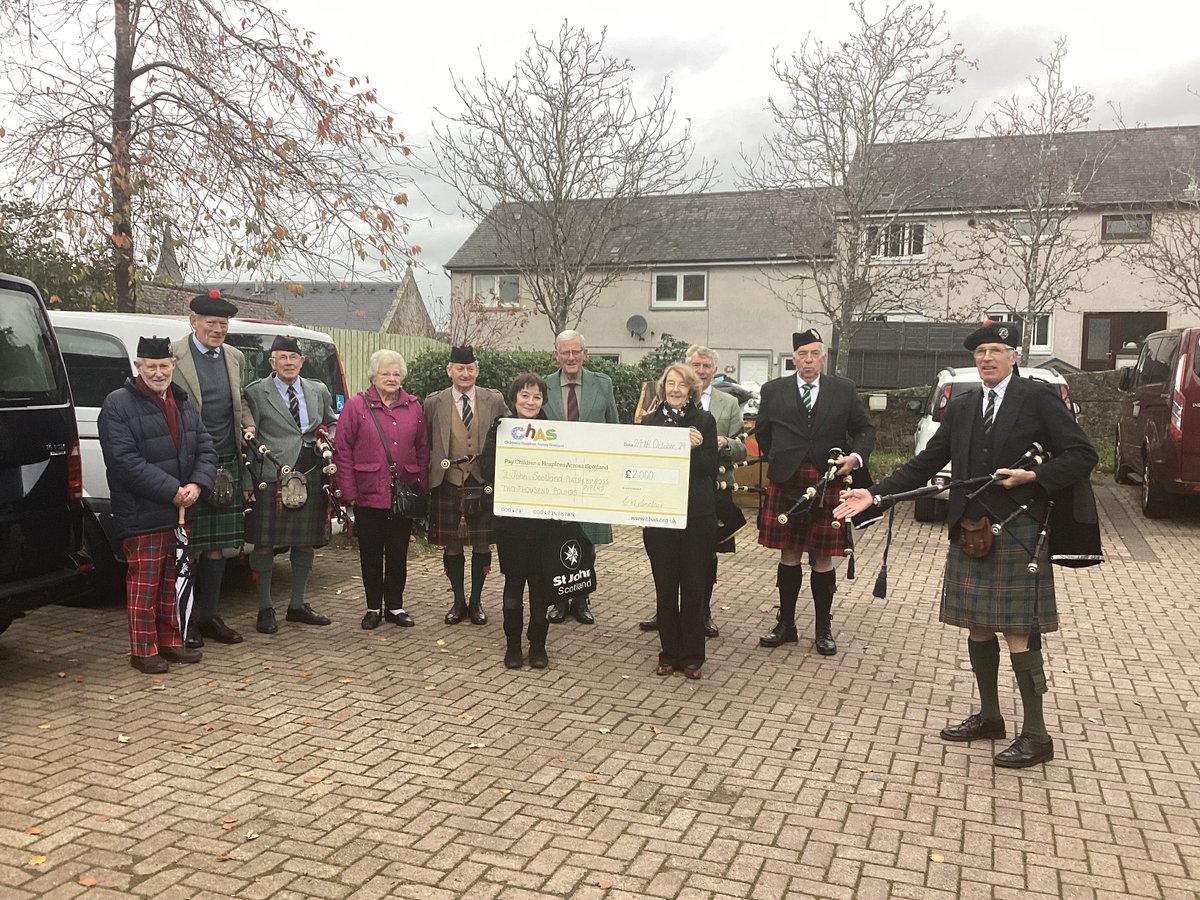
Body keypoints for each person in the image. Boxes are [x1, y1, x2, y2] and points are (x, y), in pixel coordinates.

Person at [835, 320, 1097, 769]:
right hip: (970, 528)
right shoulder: (963, 405)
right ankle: (991, 717)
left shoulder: (1038, 398)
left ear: (1014, 357)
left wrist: (1034, 476)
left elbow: (1082, 454)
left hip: (1019, 528)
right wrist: (874, 495)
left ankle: (1037, 734)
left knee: (1018, 632)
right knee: (977, 625)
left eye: (996, 351)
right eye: (980, 352)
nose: (987, 358)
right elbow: (925, 463)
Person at [98, 336, 217, 674]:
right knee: (144, 585)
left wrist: (197, 484)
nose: (158, 372)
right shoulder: (117, 404)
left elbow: (206, 448)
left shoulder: (183, 401)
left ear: (173, 365)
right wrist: (172, 491)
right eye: (150, 366)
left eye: (164, 365)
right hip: (142, 512)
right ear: (138, 366)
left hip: (180, 512)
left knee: (172, 581)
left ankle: (171, 642)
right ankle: (143, 650)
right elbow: (124, 461)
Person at [755, 328, 875, 656]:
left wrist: (855, 457)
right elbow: (763, 432)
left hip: (828, 480)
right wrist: (780, 458)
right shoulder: (773, 390)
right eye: (802, 355)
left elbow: (865, 429)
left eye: (814, 354)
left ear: (824, 357)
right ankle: (786, 624)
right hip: (787, 480)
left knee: (823, 557)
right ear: (794, 358)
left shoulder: (843, 389)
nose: (808, 360)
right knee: (789, 554)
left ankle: (823, 628)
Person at [639, 345, 747, 637]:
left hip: (707, 495)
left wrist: (720, 443)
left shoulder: (723, 406)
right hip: (665, 503)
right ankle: (668, 621)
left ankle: (702, 613)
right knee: (668, 571)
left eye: (705, 366)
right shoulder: (651, 418)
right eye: (696, 365)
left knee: (702, 563)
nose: (701, 370)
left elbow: (740, 447)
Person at [170, 290, 255, 650]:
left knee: (217, 546)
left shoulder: (235, 357)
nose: (218, 330)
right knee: (189, 546)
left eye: (223, 324)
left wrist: (248, 424)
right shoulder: (173, 355)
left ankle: (210, 616)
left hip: (226, 459)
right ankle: (186, 620)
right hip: (188, 461)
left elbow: (240, 401)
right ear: (193, 322)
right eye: (211, 323)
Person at [243, 335, 338, 634]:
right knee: (264, 543)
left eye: (293, 357)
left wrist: (328, 440)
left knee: (305, 541)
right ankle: (265, 608)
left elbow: (331, 421)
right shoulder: (256, 393)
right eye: (281, 357)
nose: (288, 362)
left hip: (311, 471)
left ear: (301, 361)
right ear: (272, 362)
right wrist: (247, 481)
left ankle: (297, 604)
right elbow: (248, 441)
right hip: (272, 474)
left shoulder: (318, 390)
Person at [335, 350, 429, 630]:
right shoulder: (356, 406)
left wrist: (421, 487)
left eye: (396, 373)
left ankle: (395, 607)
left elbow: (423, 449)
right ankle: (373, 607)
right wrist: (349, 491)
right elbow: (343, 450)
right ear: (373, 376)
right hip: (368, 492)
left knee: (398, 554)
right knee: (371, 554)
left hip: (403, 492)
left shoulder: (414, 406)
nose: (391, 378)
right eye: (385, 373)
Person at [639, 364, 719, 679]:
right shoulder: (649, 423)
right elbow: (642, 468)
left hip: (696, 517)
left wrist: (696, 449)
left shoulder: (704, 421)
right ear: (663, 387)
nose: (675, 389)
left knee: (694, 587)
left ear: (691, 389)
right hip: (660, 517)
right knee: (665, 587)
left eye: (681, 384)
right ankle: (668, 654)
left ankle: (693, 657)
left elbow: (709, 468)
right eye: (670, 383)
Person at [425, 346, 510, 625]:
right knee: (452, 544)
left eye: (470, 368)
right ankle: (458, 602)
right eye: (460, 369)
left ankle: (476, 602)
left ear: (477, 370)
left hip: (482, 480)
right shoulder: (434, 402)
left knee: (482, 544)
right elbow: (425, 440)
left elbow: (511, 431)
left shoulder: (493, 399)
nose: (465, 374)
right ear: (449, 371)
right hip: (448, 481)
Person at [542, 329, 619, 625]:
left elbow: (613, 427)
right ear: (557, 355)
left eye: (576, 351)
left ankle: (582, 598)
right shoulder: (544, 385)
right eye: (566, 352)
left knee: (586, 539)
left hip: (592, 475)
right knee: (556, 536)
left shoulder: (603, 384)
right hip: (556, 476)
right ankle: (559, 599)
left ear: (585, 354)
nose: (571, 357)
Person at [480, 373, 556, 669]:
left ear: (543, 400)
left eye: (537, 396)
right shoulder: (500, 429)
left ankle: (537, 645)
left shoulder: (557, 431)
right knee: (513, 584)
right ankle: (513, 646)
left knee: (540, 587)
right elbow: (487, 469)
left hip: (544, 524)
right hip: (511, 523)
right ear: (514, 398)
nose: (530, 401)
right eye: (525, 395)